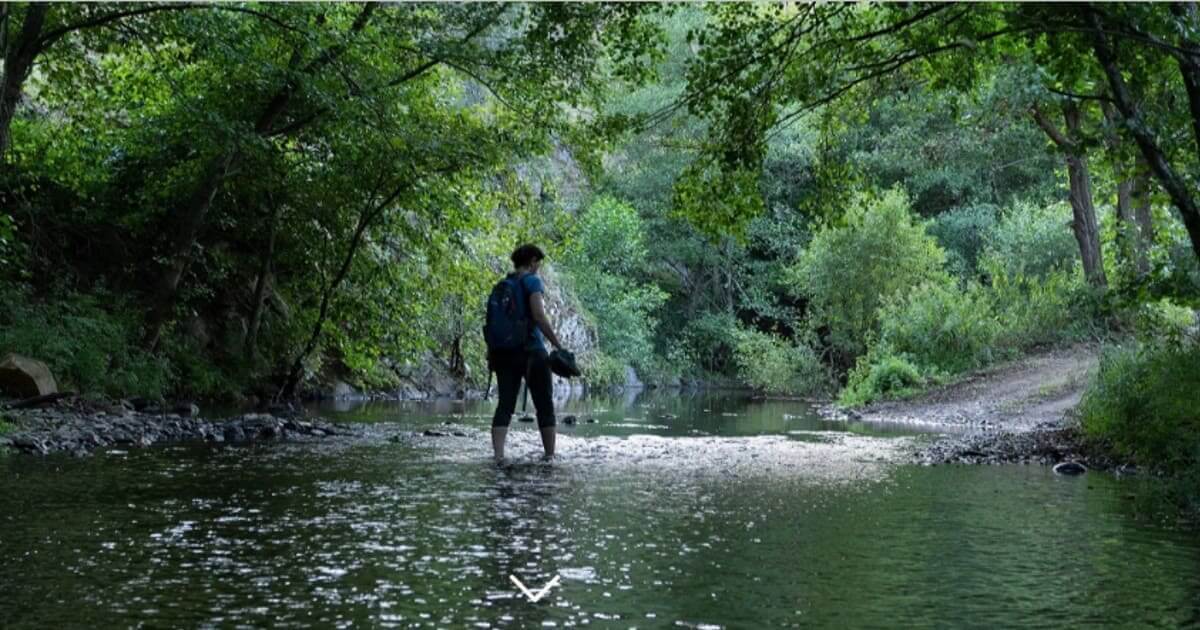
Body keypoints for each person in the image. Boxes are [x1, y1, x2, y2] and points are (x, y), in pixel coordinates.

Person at [490, 244, 567, 461]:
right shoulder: (532, 281)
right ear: (532, 262)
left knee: (505, 404)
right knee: (544, 404)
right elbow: (539, 316)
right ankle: (550, 456)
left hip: (503, 353)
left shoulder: (502, 285)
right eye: (538, 264)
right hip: (532, 351)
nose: (538, 268)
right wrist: (558, 345)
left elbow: (493, 323)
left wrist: (492, 354)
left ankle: (498, 456)